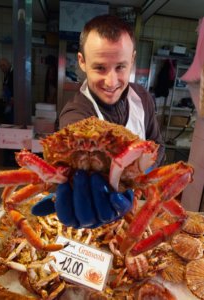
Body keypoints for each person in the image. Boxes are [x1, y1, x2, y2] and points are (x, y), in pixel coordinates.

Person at [32, 14, 165, 228]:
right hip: (97, 209)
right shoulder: (76, 115)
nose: (111, 81)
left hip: (135, 209)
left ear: (132, 59)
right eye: (100, 68)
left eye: (120, 67)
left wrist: (139, 179)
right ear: (82, 62)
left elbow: (157, 143)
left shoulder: (143, 98)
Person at [0, 57, 16, 166]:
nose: (2, 68)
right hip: (8, 106)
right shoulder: (7, 74)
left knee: (11, 132)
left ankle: (10, 158)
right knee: (6, 131)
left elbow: (14, 94)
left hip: (13, 108)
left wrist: (10, 105)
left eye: (3, 66)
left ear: (8, 64)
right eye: (1, 67)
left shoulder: (13, 74)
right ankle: (8, 157)